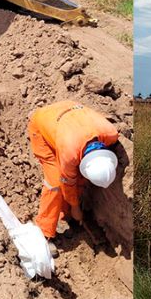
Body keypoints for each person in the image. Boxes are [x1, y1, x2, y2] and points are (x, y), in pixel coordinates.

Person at [27, 100, 119, 245]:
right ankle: (44, 233)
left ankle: (66, 212)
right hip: (42, 123)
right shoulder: (69, 154)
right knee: (55, 183)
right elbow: (67, 182)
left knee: (78, 178)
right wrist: (76, 208)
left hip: (67, 110)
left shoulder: (111, 134)